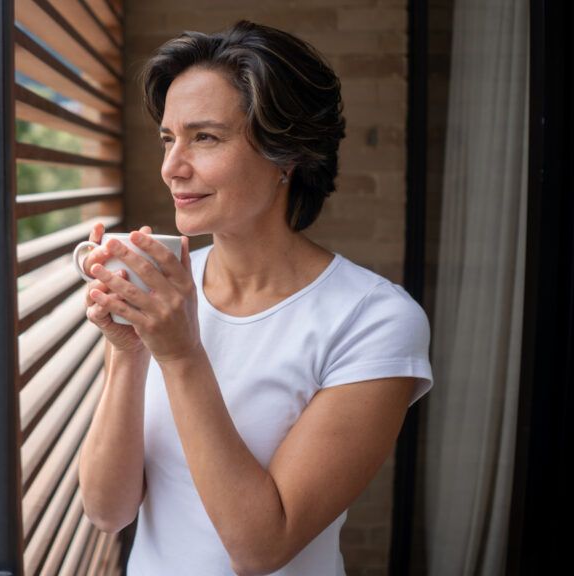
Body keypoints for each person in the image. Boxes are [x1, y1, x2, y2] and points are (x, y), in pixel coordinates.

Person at [77, 21, 433, 576]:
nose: (173, 167)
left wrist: (179, 354)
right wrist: (128, 353)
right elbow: (107, 510)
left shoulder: (374, 320)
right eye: (169, 138)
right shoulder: (164, 294)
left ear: (287, 155)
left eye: (206, 137)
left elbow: (261, 548)